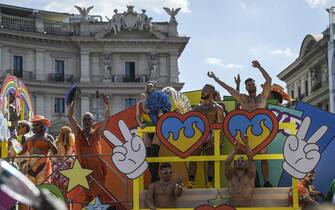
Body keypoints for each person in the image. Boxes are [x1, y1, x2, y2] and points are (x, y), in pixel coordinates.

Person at [208, 60, 273, 187]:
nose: (251, 86)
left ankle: (266, 181)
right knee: (248, 159)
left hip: (262, 132)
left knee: (264, 159)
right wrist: (215, 78)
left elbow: (269, 80)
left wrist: (259, 67)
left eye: (252, 84)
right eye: (248, 84)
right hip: (247, 134)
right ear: (246, 87)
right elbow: (229, 88)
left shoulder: (262, 97)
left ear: (255, 85)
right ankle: (252, 182)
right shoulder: (244, 98)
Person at [67, 95, 110, 201]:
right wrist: (72, 105)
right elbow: (70, 117)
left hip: (97, 169)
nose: (86, 121)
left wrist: (107, 105)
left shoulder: (97, 133)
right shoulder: (78, 133)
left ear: (92, 121)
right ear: (82, 121)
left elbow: (107, 119)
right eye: (84, 119)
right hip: (83, 168)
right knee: (87, 197)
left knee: (99, 196)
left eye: (89, 119)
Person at [187, 84, 224, 188]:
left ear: (212, 93)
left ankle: (209, 183)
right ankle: (191, 182)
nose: (203, 92)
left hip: (212, 134)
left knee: (211, 160)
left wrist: (218, 140)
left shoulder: (218, 108)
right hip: (199, 135)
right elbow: (187, 120)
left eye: (205, 90)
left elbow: (220, 125)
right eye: (203, 90)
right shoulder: (196, 108)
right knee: (193, 158)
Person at [136, 81, 170, 183]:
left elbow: (161, 116)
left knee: (154, 153)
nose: (148, 87)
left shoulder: (158, 102)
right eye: (147, 86)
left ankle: (155, 178)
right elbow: (138, 117)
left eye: (151, 86)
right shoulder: (139, 104)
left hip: (156, 131)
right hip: (147, 130)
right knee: (148, 154)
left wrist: (160, 112)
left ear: (155, 88)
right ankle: (153, 177)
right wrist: (140, 124)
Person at [19, 115, 57, 185]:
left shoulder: (48, 137)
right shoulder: (29, 138)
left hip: (43, 164)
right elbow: (21, 152)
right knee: (30, 185)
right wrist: (14, 145)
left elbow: (55, 152)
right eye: (34, 125)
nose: (35, 127)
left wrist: (50, 143)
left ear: (43, 126)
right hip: (30, 164)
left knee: (42, 185)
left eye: (37, 125)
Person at [224, 136, 256, 207]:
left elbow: (251, 160)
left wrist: (246, 144)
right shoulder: (231, 176)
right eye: (238, 161)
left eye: (242, 161)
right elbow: (227, 164)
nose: (240, 162)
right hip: (233, 207)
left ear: (246, 165)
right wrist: (235, 150)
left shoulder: (250, 176)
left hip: (246, 207)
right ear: (234, 165)